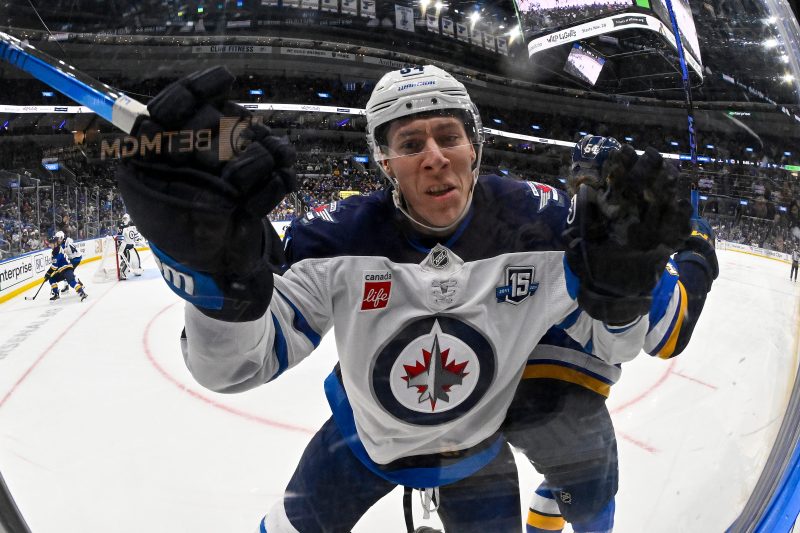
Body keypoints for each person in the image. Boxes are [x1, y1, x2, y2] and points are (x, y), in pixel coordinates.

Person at [116, 65, 691, 532]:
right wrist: (217, 286)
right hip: (362, 440)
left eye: (449, 136)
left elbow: (623, 343)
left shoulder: (541, 224)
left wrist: (624, 294)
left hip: (476, 452)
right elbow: (236, 366)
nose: (434, 155)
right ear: (385, 162)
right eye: (411, 143)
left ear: (474, 147)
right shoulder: (334, 239)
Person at [484, 135, 719, 533]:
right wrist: (698, 249)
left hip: (494, 386)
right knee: (594, 506)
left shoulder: (538, 213)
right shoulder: (617, 237)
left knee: (559, 485)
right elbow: (670, 337)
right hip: (561, 400)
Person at [45, 230, 88, 302]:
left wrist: (48, 273)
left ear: (55, 244)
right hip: (62, 270)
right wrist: (49, 274)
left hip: (67, 269)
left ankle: (82, 292)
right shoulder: (57, 249)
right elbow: (56, 266)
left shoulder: (57, 251)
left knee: (71, 281)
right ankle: (56, 294)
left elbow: (54, 266)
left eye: (51, 244)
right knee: (51, 278)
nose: (50, 245)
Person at [116, 213, 143, 279]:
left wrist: (139, 241)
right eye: (123, 218)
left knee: (136, 259)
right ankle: (122, 272)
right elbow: (119, 238)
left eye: (125, 218)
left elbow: (136, 236)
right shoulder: (121, 227)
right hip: (125, 247)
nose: (124, 220)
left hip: (131, 246)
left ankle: (137, 269)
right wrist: (121, 245)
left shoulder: (133, 226)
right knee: (128, 260)